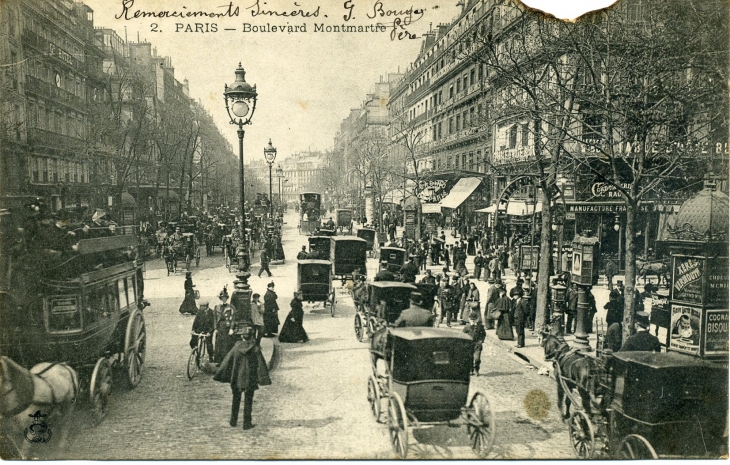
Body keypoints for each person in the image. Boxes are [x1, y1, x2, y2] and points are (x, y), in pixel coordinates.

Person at [214, 326, 271, 430]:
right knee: (248, 401)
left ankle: (233, 421)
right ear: (251, 337)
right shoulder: (255, 349)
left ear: (242, 337)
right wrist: (263, 378)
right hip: (250, 379)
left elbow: (227, 362)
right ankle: (247, 423)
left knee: (236, 399)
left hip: (237, 379)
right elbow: (261, 365)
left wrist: (219, 374)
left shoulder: (235, 348)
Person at [214, 287, 237, 363]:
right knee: (219, 345)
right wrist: (215, 328)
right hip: (220, 327)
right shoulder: (217, 307)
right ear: (220, 298)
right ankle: (220, 361)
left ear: (227, 298)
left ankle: (227, 362)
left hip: (227, 327)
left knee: (227, 345)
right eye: (222, 298)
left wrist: (231, 328)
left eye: (225, 298)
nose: (224, 299)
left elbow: (233, 318)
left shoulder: (231, 307)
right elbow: (215, 318)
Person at [463, 309, 486, 376]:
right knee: (469, 358)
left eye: (474, 319)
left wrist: (481, 340)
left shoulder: (480, 326)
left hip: (477, 344)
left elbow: (483, 334)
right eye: (471, 319)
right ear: (469, 319)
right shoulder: (467, 327)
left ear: (477, 319)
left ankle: (476, 369)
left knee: (477, 358)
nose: (473, 321)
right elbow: (463, 334)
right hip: (469, 344)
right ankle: (471, 370)